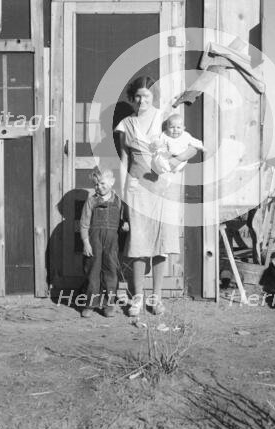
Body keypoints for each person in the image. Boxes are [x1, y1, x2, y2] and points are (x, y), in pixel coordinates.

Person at [114, 76, 198, 317]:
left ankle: (156, 297)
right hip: (137, 188)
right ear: (132, 97)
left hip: (164, 188)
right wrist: (124, 194)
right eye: (138, 96)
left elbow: (190, 146)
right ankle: (137, 298)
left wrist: (177, 159)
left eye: (147, 96)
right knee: (138, 243)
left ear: (153, 98)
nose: (142, 100)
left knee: (162, 244)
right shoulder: (125, 125)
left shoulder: (164, 119)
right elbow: (124, 160)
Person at [79, 169, 127, 318]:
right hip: (94, 241)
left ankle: (108, 304)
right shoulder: (91, 201)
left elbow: (123, 220)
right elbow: (84, 224)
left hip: (112, 242)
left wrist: (125, 224)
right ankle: (90, 304)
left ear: (112, 182)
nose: (99, 187)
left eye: (102, 183)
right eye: (96, 184)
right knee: (92, 271)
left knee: (111, 272)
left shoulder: (118, 201)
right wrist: (86, 243)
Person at [150, 114, 204, 178]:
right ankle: (164, 168)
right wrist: (157, 145)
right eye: (172, 127)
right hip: (167, 158)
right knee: (160, 159)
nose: (175, 130)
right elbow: (160, 144)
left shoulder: (185, 135)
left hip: (180, 158)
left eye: (178, 127)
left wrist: (201, 146)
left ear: (183, 128)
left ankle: (168, 168)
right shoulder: (165, 135)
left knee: (179, 162)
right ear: (167, 127)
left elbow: (194, 143)